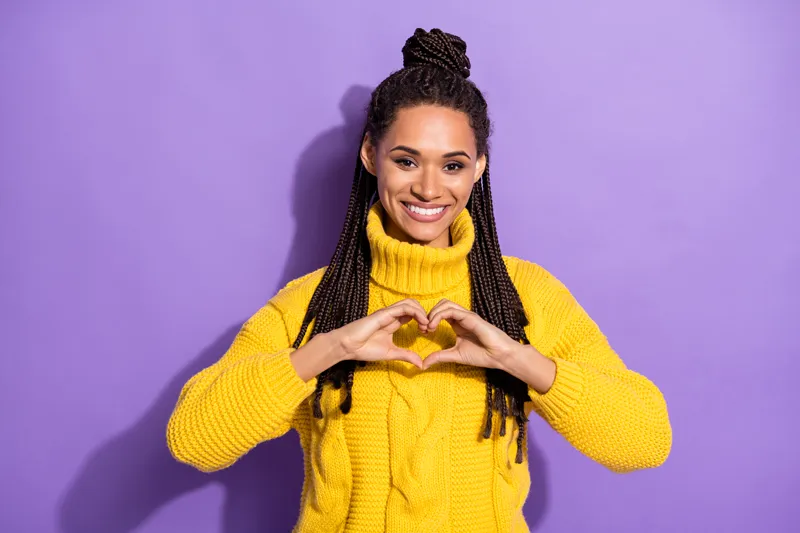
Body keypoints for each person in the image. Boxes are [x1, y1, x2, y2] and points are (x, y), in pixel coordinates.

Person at [166, 28, 672, 533]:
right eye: (406, 160)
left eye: (452, 165)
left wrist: (518, 360)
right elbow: (192, 439)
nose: (429, 188)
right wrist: (329, 349)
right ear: (370, 156)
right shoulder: (314, 304)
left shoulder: (524, 297)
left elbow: (645, 441)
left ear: (478, 169)